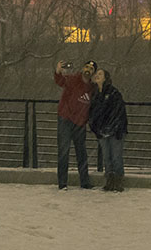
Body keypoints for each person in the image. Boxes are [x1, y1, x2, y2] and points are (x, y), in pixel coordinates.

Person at [53, 59, 96, 190]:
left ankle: (84, 181)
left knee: (81, 152)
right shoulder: (73, 79)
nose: (88, 70)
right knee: (64, 151)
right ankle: (62, 183)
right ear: (83, 68)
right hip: (66, 118)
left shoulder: (92, 88)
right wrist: (58, 71)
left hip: (80, 122)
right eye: (87, 67)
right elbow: (61, 81)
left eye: (91, 69)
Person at [89, 69, 128, 192]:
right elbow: (93, 113)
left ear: (106, 78)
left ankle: (118, 181)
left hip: (115, 131)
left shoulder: (113, 93)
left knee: (116, 156)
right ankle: (109, 181)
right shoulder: (95, 94)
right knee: (107, 157)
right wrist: (95, 128)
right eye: (97, 74)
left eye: (100, 74)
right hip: (102, 131)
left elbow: (118, 112)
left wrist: (113, 127)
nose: (97, 76)